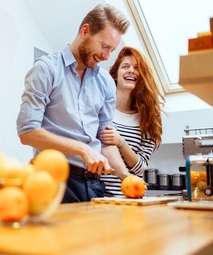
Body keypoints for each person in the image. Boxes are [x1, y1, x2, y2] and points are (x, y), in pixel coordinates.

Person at [16, 4, 131, 203]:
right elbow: (27, 132)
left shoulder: (105, 82)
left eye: (111, 50)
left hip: (94, 185)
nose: (106, 56)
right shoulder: (46, 69)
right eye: (104, 46)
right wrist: (83, 149)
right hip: (52, 182)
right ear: (84, 31)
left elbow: (105, 141)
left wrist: (127, 178)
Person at [98, 46, 164, 196]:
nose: (131, 71)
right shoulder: (100, 108)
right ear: (115, 75)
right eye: (125, 66)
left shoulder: (147, 119)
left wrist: (121, 142)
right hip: (99, 194)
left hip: (131, 196)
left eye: (136, 68)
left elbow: (140, 168)